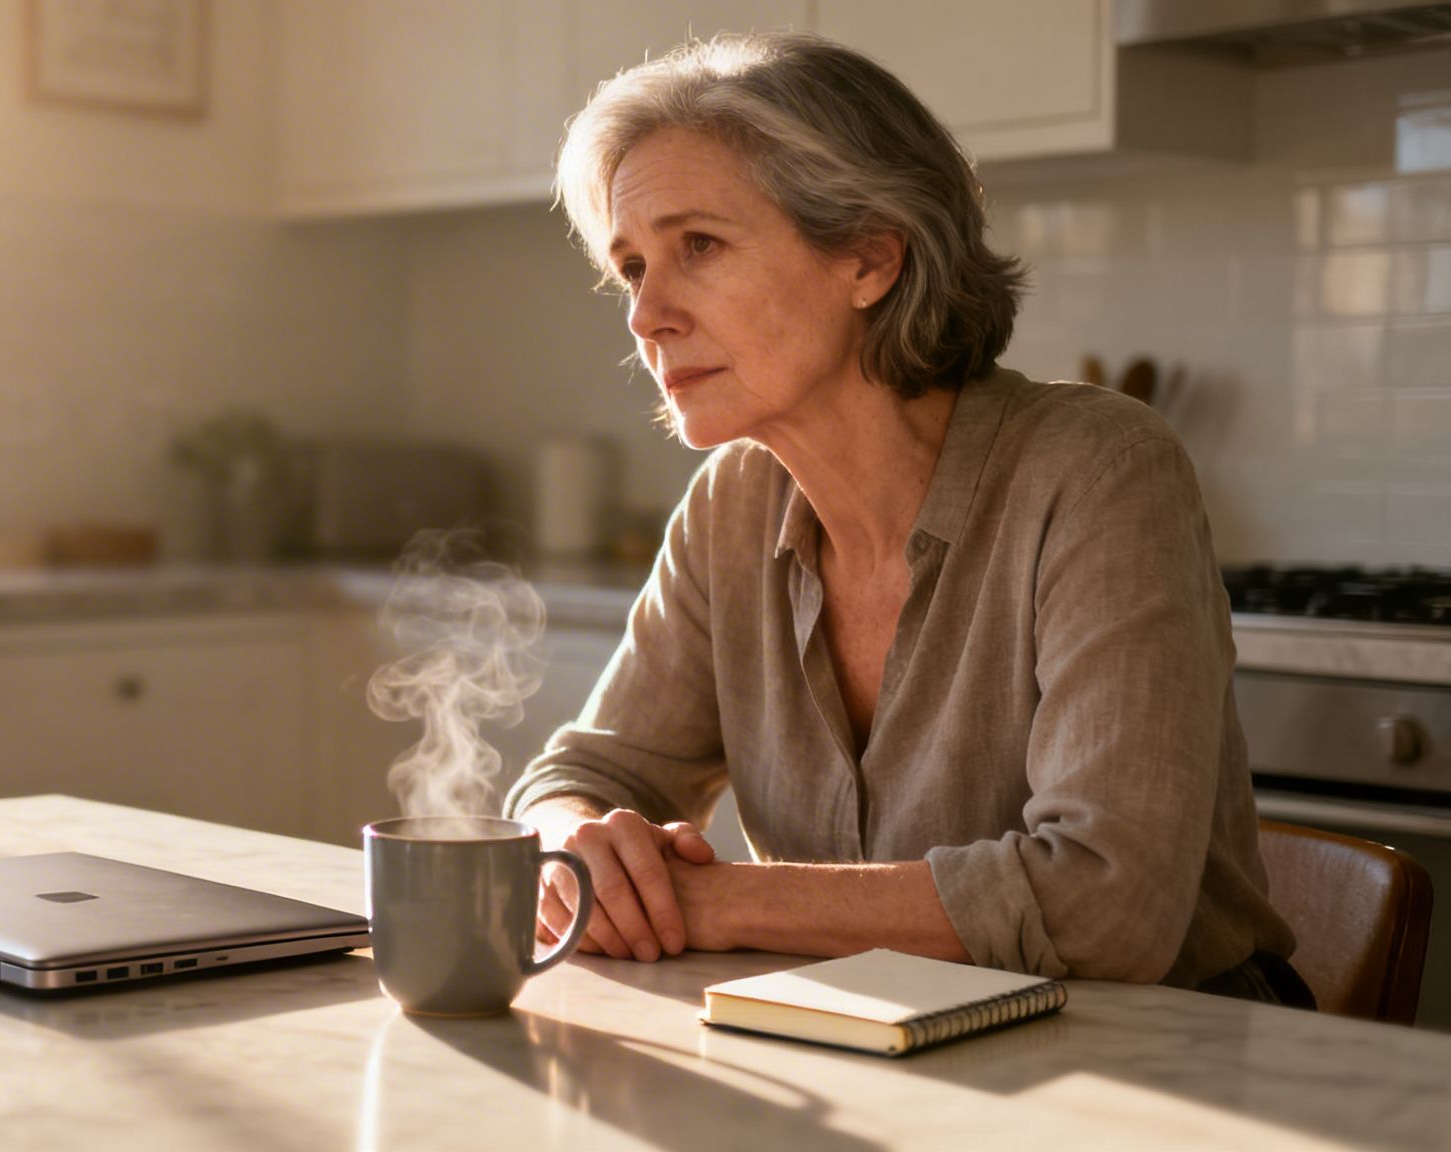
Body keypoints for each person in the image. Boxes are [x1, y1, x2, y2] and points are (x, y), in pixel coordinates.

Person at [503, 31, 1310, 1004]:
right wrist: (571, 844)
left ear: (868, 260)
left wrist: (709, 902)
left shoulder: (1096, 467)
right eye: (631, 266)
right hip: (870, 1042)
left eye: (698, 247)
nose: (645, 315)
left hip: (1165, 1067)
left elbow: (1108, 904)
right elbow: (586, 771)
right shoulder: (732, 502)